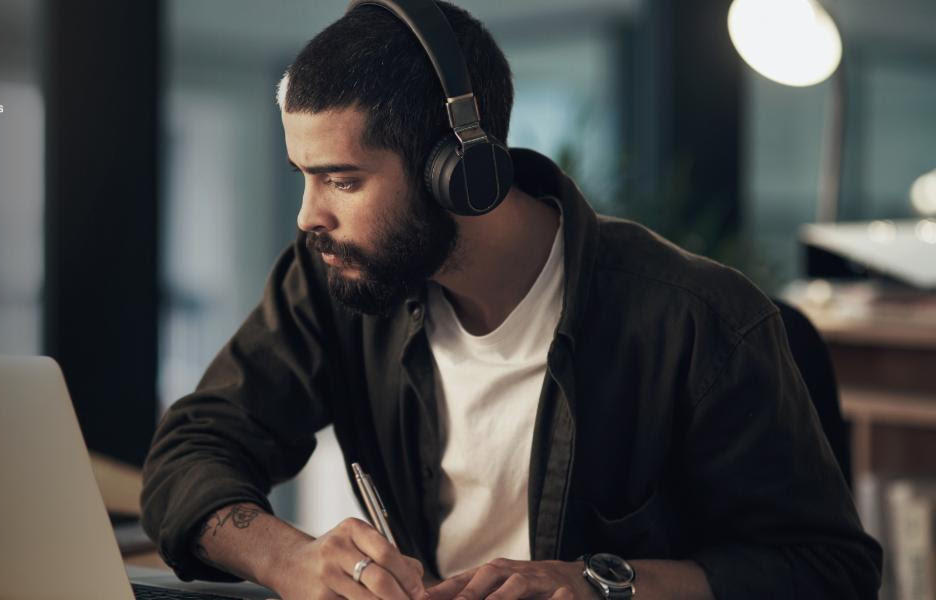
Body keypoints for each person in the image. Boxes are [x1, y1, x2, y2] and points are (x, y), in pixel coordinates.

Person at [140, 2, 882, 599]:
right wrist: (287, 560)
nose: (308, 217)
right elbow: (188, 453)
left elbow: (824, 570)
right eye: (305, 176)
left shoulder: (698, 320)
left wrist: (601, 585)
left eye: (342, 180)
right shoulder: (333, 279)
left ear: (459, 172)